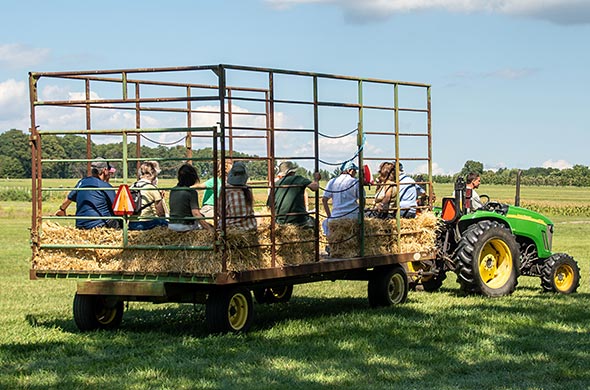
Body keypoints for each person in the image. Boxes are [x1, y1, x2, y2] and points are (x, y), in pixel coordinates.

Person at [55, 158, 120, 229]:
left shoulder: (82, 182)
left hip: (81, 226)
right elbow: (116, 207)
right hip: (101, 226)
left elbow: (68, 199)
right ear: (104, 170)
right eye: (108, 170)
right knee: (121, 222)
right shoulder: (106, 186)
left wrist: (62, 209)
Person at [267, 161, 320, 227]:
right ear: (292, 172)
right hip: (300, 220)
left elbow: (270, 205)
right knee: (315, 222)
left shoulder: (276, 184)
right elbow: (314, 187)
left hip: (280, 222)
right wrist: (316, 179)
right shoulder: (298, 179)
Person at [168, 164, 213, 232]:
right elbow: (195, 213)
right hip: (186, 226)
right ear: (192, 177)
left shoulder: (173, 190)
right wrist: (209, 229)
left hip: (171, 225)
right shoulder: (191, 192)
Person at [321, 160, 360, 236]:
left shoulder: (332, 181)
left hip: (336, 216)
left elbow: (324, 200)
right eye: (355, 171)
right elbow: (363, 200)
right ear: (350, 171)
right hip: (353, 217)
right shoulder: (355, 182)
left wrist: (330, 217)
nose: (355, 173)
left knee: (325, 224)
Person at [129, 161, 169, 230]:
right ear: (153, 173)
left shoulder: (132, 186)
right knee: (167, 224)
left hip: (131, 223)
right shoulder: (152, 188)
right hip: (146, 223)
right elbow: (160, 212)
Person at [221, 161, 258, 231]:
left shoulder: (226, 189)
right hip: (250, 226)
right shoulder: (248, 189)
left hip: (231, 228)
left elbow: (220, 212)